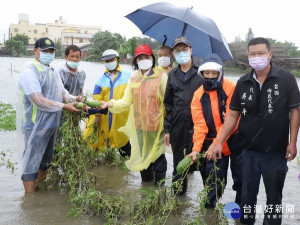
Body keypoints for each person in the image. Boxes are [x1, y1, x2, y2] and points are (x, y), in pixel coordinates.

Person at [211, 37, 300, 225]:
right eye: (252, 54)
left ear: (270, 54)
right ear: (248, 56)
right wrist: (219, 141)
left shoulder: (286, 78)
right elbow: (233, 115)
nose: (257, 57)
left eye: (261, 53)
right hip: (248, 150)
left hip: (276, 151)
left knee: (274, 198)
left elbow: (294, 111)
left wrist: (293, 142)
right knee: (246, 197)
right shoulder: (243, 82)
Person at [17, 37, 82, 193]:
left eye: (51, 51)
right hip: (34, 126)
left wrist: (75, 99)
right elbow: (38, 100)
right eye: (44, 51)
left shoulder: (51, 70)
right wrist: (64, 106)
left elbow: (63, 93)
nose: (48, 54)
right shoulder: (29, 71)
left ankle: (41, 188)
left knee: (46, 161)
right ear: (35, 51)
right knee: (31, 162)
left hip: (51, 124)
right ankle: (30, 200)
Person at [100, 44, 168, 186]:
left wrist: (168, 126)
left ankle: (160, 190)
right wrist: (110, 104)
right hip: (139, 126)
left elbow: (168, 102)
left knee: (158, 158)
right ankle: (147, 187)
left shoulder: (161, 76)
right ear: (136, 61)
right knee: (144, 158)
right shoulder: (134, 78)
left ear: (152, 58)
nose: (143, 60)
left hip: (157, 126)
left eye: (146, 57)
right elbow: (126, 101)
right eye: (140, 58)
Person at [188, 53, 242, 207]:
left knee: (242, 179)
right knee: (214, 182)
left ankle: (242, 213)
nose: (210, 76)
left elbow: (232, 118)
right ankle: (208, 213)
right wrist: (196, 149)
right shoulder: (198, 95)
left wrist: (219, 140)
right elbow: (199, 125)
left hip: (236, 140)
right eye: (207, 73)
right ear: (202, 74)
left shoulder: (231, 87)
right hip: (214, 145)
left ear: (220, 73)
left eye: (214, 73)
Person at [164, 36, 203, 195]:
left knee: (198, 161)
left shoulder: (201, 73)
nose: (182, 53)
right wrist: (167, 129)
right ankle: (178, 198)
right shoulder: (172, 74)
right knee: (178, 162)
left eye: (184, 50)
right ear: (173, 53)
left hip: (197, 122)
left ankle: (207, 200)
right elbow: (168, 103)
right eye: (178, 50)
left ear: (191, 51)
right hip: (177, 123)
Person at [83, 49, 132, 157]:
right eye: (107, 61)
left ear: (117, 60)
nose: (110, 63)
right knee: (104, 142)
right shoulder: (101, 80)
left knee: (123, 144)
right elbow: (96, 100)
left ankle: (126, 168)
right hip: (105, 117)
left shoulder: (128, 75)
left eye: (112, 60)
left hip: (121, 116)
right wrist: (97, 115)